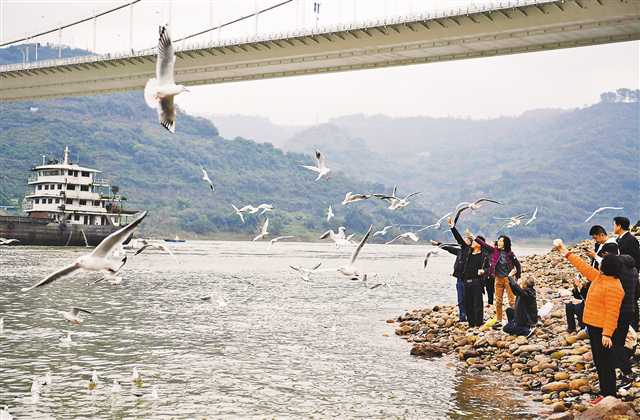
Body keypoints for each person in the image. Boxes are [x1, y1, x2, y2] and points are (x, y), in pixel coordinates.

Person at [554, 239, 624, 403]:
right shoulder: (600, 277)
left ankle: (609, 395)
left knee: (605, 362)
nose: (598, 265)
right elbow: (582, 266)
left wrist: (607, 334)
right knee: (599, 361)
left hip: (602, 330)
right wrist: (564, 250)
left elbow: (612, 313)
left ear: (607, 267)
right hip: (592, 326)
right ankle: (604, 393)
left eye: (602, 263)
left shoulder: (615, 287)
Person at [474, 235, 522, 325]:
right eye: (498, 241)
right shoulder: (494, 251)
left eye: (501, 241)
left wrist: (517, 277)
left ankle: (517, 319)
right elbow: (484, 245)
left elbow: (518, 265)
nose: (499, 242)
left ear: (505, 243)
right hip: (498, 279)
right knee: (498, 301)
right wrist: (474, 237)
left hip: (508, 279)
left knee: (512, 301)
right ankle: (499, 320)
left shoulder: (510, 253)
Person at [430, 239, 466, 322]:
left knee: (466, 298)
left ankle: (468, 316)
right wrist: (438, 244)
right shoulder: (459, 251)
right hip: (459, 278)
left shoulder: (469, 252)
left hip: (467, 279)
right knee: (460, 299)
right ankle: (462, 317)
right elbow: (449, 248)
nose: (461, 243)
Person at [459, 235, 490, 327]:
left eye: (475, 241)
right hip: (466, 280)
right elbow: (459, 240)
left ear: (480, 244)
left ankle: (478, 323)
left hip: (477, 281)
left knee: (477, 303)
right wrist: (452, 227)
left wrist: (484, 271)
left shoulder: (484, 255)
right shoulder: (468, 251)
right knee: (468, 303)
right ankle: (471, 323)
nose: (473, 242)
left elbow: (489, 268)